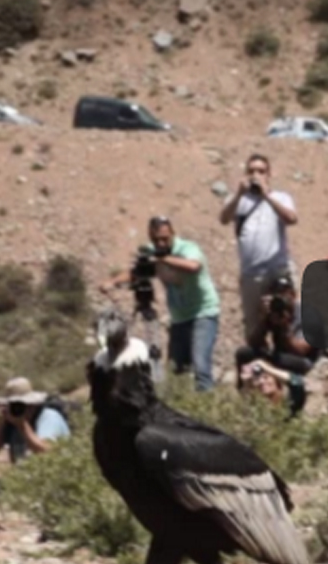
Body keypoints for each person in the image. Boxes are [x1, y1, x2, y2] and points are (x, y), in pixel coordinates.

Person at [101, 216, 220, 391]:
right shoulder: (153, 253)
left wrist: (162, 258)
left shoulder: (187, 249)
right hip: (179, 318)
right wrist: (112, 282)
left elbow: (194, 266)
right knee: (176, 371)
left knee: (200, 365)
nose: (161, 243)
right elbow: (137, 273)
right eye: (156, 240)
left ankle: (208, 405)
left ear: (173, 234)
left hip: (203, 313)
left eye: (165, 238)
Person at [219, 153, 297, 347]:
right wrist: (239, 194)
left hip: (276, 270)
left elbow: (291, 218)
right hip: (251, 274)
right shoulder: (238, 200)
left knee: (284, 321)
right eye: (251, 171)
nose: (256, 175)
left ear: (269, 174)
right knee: (254, 329)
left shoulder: (280, 197)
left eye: (261, 171)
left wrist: (266, 195)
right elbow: (224, 218)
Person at [235, 273, 316, 381]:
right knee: (244, 354)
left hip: (302, 361)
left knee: (276, 359)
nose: (282, 299)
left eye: (284, 294)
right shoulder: (274, 311)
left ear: (293, 294)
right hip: (279, 356)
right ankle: (244, 391)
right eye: (277, 294)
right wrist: (264, 320)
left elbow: (302, 351)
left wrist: (285, 328)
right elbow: (254, 342)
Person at [0, 377, 70, 464]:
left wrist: (22, 426)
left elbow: (48, 454)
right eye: (13, 405)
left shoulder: (49, 417)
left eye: (22, 405)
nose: (18, 409)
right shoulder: (11, 421)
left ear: (33, 404)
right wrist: (0, 422)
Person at [238, 359, 306, 417]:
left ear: (276, 381)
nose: (261, 382)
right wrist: (246, 383)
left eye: (266, 377)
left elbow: (298, 383)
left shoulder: (289, 403)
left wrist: (265, 367)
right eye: (257, 379)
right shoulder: (258, 409)